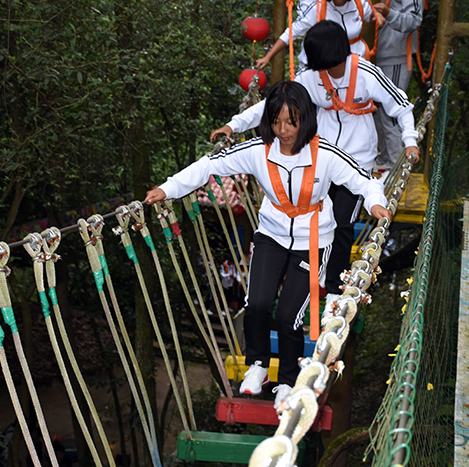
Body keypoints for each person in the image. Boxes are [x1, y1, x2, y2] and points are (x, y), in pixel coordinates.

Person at [146, 81, 391, 408]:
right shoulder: (258, 151)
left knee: (289, 316)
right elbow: (209, 166)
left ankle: (287, 381)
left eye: (291, 122)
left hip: (314, 240)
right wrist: (168, 189)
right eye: (276, 122)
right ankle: (258, 365)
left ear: (306, 119)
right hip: (271, 235)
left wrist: (376, 203)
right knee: (258, 304)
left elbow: (364, 180)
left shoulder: (326, 154)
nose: (283, 130)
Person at [211, 20, 419, 309]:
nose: (326, 72)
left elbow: (402, 105)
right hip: (320, 158)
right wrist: (233, 126)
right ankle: (299, 279)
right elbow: (270, 106)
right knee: (309, 217)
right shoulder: (311, 78)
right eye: (320, 66)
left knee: (343, 223)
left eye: (329, 65)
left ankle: (333, 288)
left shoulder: (367, 74)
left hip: (358, 160)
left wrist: (410, 140)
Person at [372, 0, 423, 173]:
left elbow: (414, 20)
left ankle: (395, 167)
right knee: (377, 112)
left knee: (391, 113)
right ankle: (385, 159)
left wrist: (388, 13)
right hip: (373, 55)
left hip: (394, 56)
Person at [257, 0, 381, 71]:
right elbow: (292, 32)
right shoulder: (317, 8)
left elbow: (373, 17)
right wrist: (268, 57)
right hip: (322, 63)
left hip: (355, 63)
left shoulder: (359, 4)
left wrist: (379, 17)